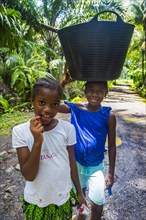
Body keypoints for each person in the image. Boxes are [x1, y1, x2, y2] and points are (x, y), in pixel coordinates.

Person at [12, 77, 86, 220]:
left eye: (54, 104)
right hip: (37, 200)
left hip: (62, 197)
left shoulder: (68, 129)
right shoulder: (20, 131)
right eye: (41, 102)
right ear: (32, 100)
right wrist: (38, 141)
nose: (48, 109)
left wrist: (79, 192)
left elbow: (72, 163)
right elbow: (29, 175)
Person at [59, 73, 116, 220]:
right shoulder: (77, 109)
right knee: (80, 194)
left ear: (105, 93)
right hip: (76, 165)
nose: (94, 94)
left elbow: (111, 146)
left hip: (96, 167)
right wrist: (63, 83)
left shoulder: (108, 116)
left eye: (99, 91)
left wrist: (110, 172)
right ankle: (81, 216)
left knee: (97, 202)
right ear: (84, 91)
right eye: (90, 90)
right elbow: (52, 104)